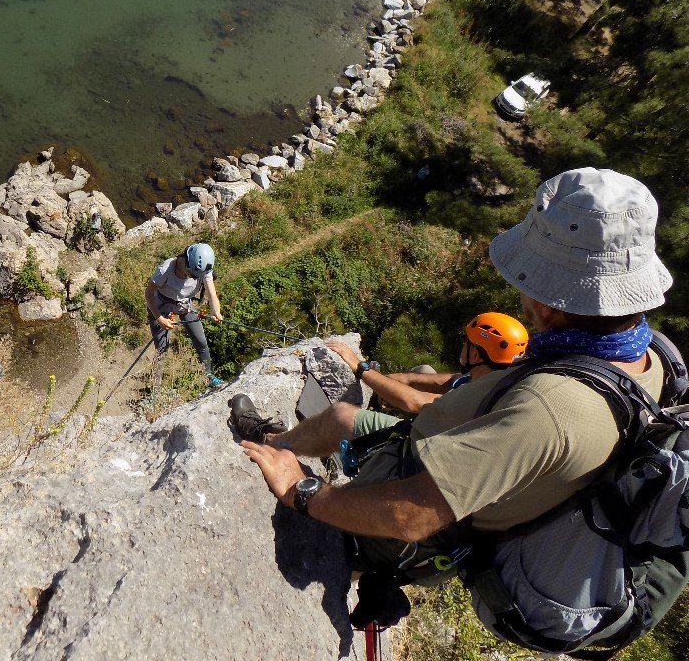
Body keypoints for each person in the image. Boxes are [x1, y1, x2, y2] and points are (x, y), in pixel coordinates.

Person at [234, 167, 670, 572]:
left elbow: (410, 515)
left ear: (545, 303)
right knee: (343, 418)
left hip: (427, 523)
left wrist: (302, 492)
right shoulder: (653, 361)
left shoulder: (548, 409)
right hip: (458, 479)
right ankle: (276, 440)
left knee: (342, 432)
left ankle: (337, 529)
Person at [325, 312, 529, 420]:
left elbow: (413, 401)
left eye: (467, 342)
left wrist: (360, 368)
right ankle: (377, 402)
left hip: (430, 454)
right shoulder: (493, 377)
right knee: (423, 371)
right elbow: (448, 380)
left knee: (340, 418)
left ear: (475, 354)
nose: (463, 345)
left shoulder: (477, 399)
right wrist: (403, 379)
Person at [146, 242, 225, 387]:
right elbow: (149, 294)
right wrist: (159, 318)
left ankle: (208, 376)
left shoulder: (202, 269)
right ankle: (155, 387)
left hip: (184, 306)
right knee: (162, 350)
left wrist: (216, 311)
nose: (195, 278)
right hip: (160, 306)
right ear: (187, 263)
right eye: (194, 275)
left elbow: (212, 294)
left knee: (201, 342)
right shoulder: (165, 270)